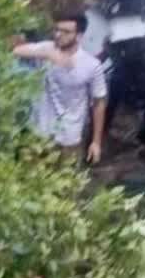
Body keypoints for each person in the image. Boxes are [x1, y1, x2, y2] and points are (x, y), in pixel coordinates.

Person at [12, 10, 107, 165]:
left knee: (65, 185)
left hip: (69, 139)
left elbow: (99, 103)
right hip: (37, 135)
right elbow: (15, 50)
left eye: (66, 32)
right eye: (56, 30)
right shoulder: (46, 48)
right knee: (28, 182)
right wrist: (48, 55)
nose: (58, 35)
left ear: (79, 35)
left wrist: (96, 142)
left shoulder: (91, 65)